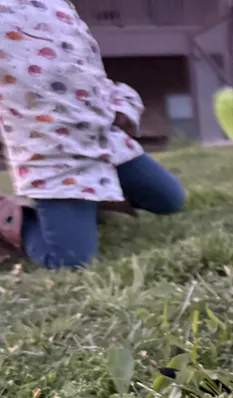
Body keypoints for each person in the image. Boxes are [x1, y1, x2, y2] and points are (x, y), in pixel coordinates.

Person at [0, 0, 185, 268]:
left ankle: (92, 204)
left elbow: (88, 68)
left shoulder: (57, 7)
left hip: (101, 136)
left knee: (170, 199)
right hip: (50, 153)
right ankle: (17, 219)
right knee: (70, 260)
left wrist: (120, 104)